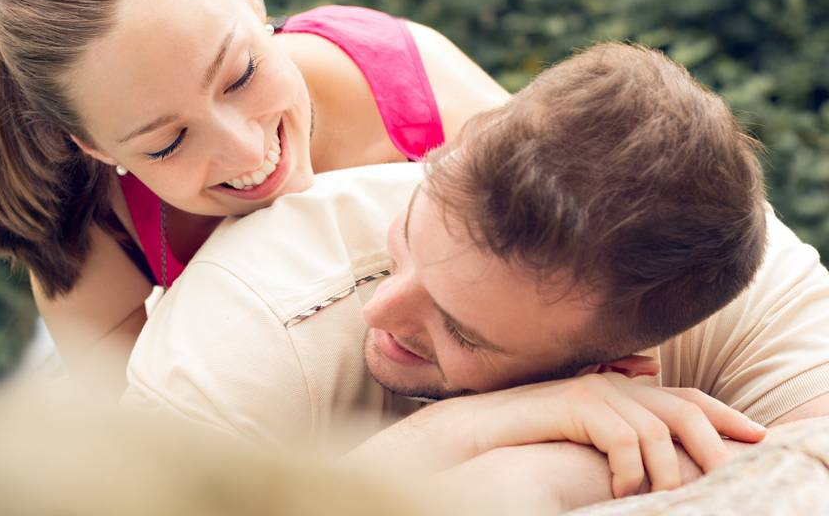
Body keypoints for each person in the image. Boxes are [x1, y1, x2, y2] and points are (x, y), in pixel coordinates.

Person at [122, 43, 829, 508]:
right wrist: (468, 443)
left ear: (613, 366)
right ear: (456, 146)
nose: (383, 310)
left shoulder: (716, 262)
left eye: (459, 329)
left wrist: (551, 475)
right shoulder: (241, 330)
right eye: (409, 234)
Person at [0, 0, 507, 393]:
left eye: (239, 76)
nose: (244, 150)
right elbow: (148, 470)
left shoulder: (413, 85)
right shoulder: (91, 229)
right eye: (167, 143)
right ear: (93, 146)